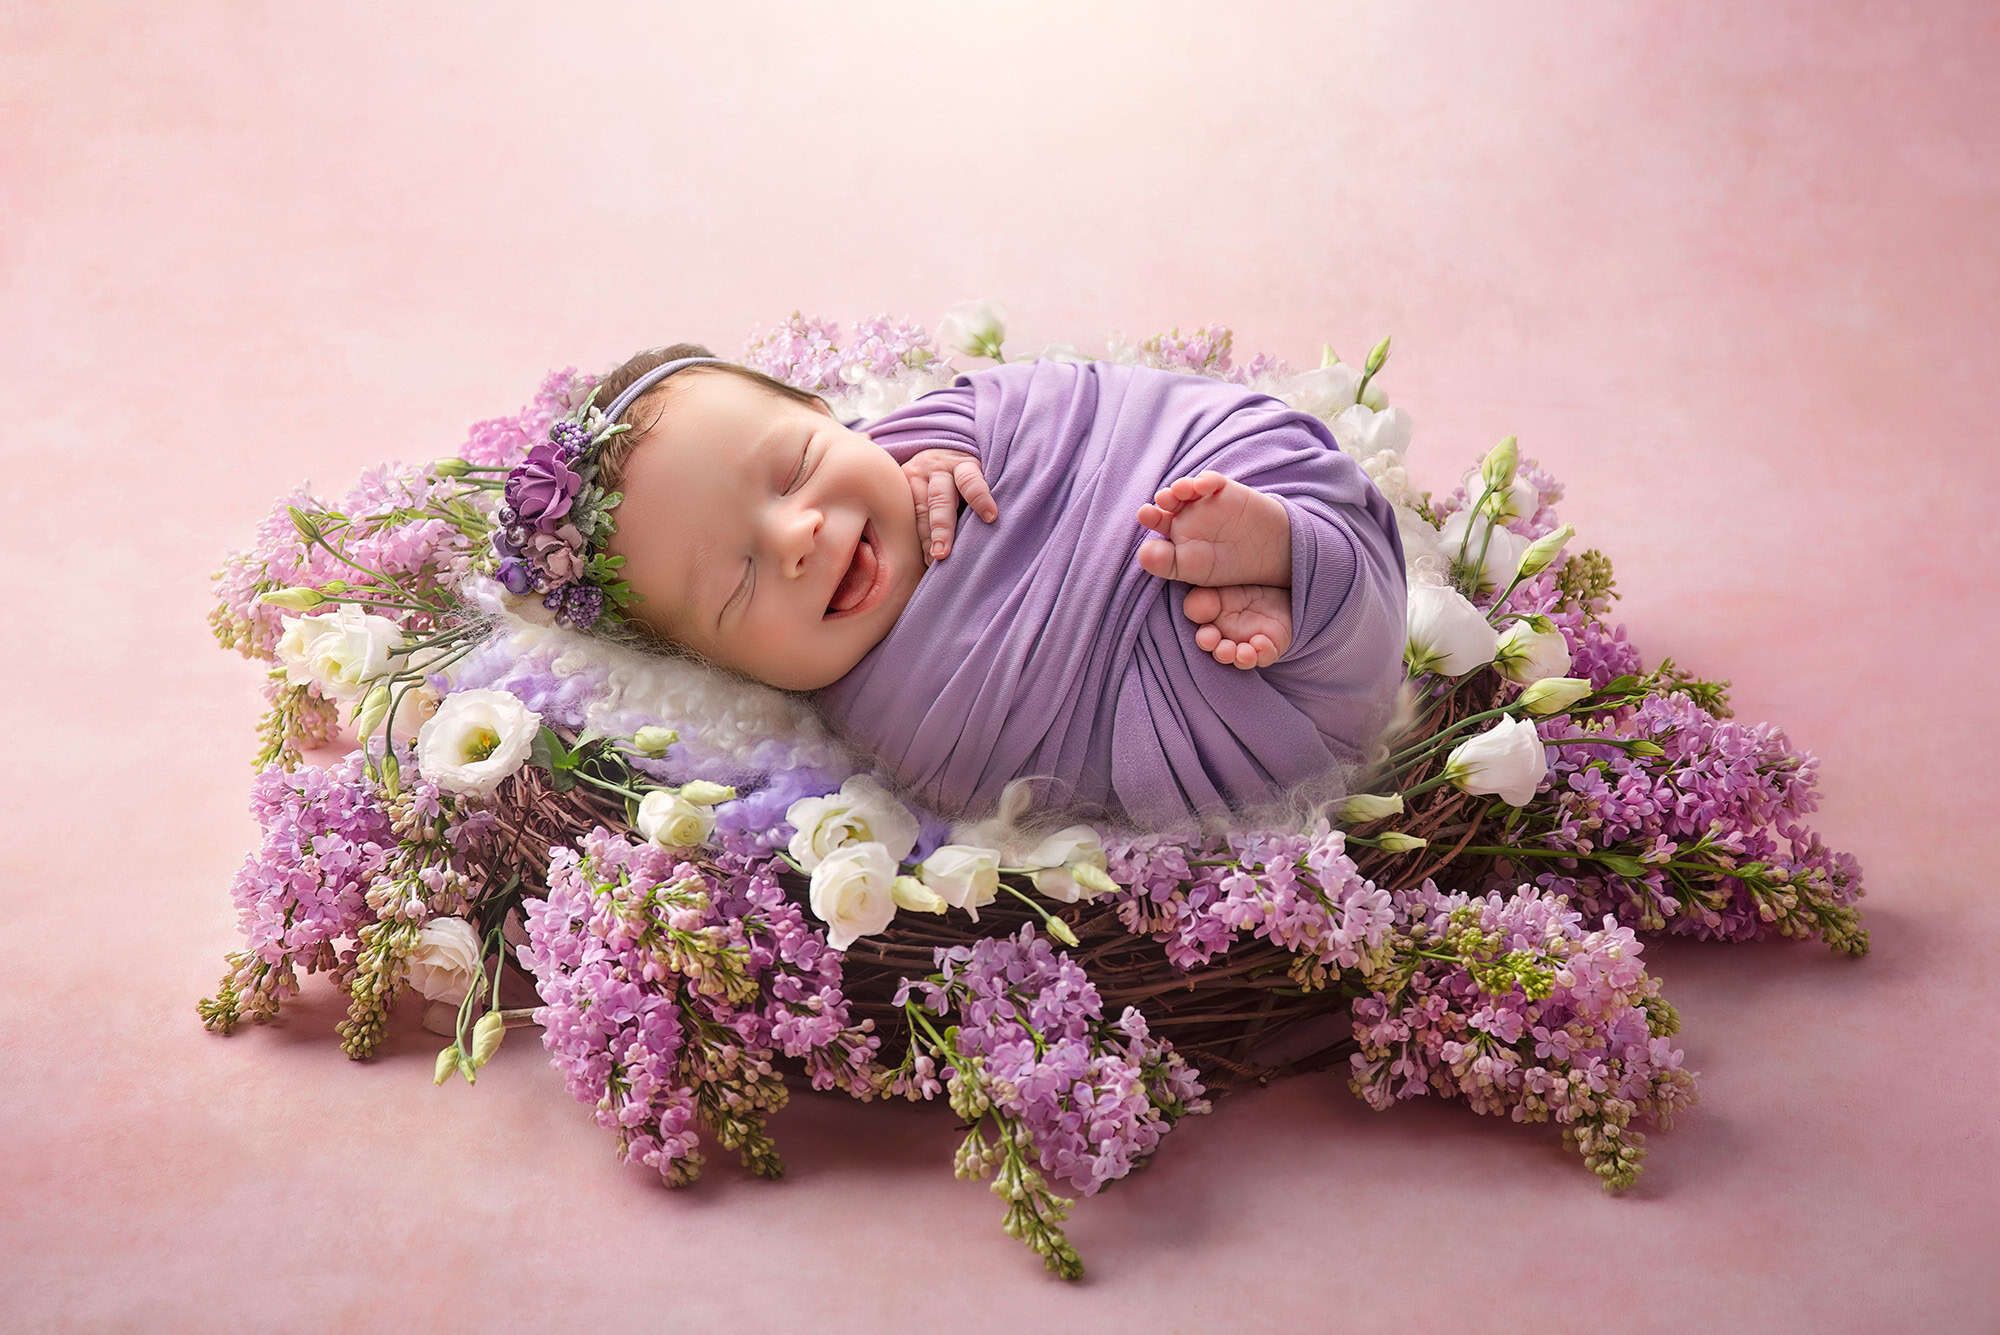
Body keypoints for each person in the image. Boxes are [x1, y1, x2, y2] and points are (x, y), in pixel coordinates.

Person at [571, 342, 1408, 834]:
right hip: (1177, 699)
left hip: (1177, 467)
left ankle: (1290, 548)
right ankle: (1302, 601)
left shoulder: (925, 439)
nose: (797, 537)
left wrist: (949, 438)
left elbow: (1056, 400)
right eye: (738, 583)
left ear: (831, 415)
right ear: (722, 669)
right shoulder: (873, 735)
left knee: (1255, 460)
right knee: (1241, 750)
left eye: (796, 468)